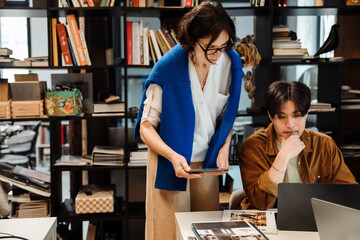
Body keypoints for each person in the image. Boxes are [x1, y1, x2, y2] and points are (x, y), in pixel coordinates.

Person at [134, 1, 244, 239]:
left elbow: (227, 115)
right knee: (168, 232)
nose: (218, 55)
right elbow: (146, 127)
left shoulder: (230, 63)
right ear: (192, 40)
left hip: (206, 162)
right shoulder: (168, 67)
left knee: (207, 230)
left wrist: (224, 147)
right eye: (211, 48)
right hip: (170, 161)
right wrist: (173, 157)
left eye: (223, 47)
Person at [238, 81, 357, 210]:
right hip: (270, 221)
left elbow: (349, 194)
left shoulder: (324, 144)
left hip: (314, 220)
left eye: (297, 115)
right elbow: (260, 204)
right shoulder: (252, 147)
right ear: (271, 116)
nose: (290, 124)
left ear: (306, 114)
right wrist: (283, 157)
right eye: (282, 117)